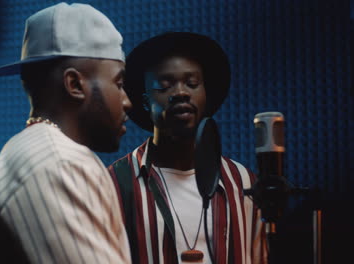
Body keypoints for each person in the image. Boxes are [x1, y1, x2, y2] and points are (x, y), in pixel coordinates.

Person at [0, 2, 132, 264]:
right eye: (119, 83)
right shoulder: (59, 165)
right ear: (75, 84)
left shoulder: (29, 152)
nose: (126, 101)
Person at [108, 32, 267, 264]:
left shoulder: (244, 183)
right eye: (164, 86)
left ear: (205, 94)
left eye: (192, 84)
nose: (181, 92)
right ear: (144, 102)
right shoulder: (114, 184)